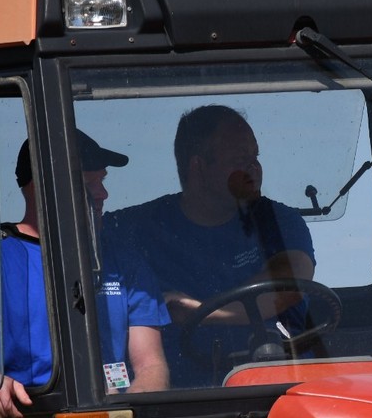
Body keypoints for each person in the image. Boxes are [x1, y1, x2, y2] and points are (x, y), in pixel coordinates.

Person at [0, 129, 171, 418]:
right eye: (90, 184)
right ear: (44, 189)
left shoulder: (124, 260)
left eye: (102, 181)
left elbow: (152, 366)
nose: (104, 194)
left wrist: (128, 415)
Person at [104, 104, 316, 386]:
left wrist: (197, 311)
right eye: (240, 159)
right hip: (183, 406)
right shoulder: (130, 229)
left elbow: (287, 286)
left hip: (283, 393)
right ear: (198, 166)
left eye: (255, 157)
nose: (254, 167)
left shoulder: (279, 221)